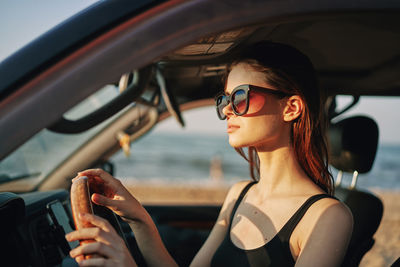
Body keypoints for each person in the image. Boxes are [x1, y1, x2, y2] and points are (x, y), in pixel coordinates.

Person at [65, 41, 353, 267]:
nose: (227, 109)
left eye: (240, 96)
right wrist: (139, 219)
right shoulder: (239, 193)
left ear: (291, 107)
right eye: (225, 99)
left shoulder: (327, 216)